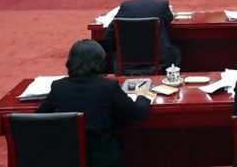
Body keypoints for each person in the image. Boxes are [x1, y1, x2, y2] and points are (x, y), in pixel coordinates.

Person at [37, 39, 154, 167]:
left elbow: (38, 117)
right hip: (102, 159)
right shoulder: (108, 87)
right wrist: (142, 95)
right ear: (101, 62)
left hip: (68, 157)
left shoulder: (58, 87)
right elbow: (137, 113)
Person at [105, 0, 181, 71]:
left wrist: (118, 50)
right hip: (158, 59)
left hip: (128, 59)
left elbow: (110, 33)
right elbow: (168, 19)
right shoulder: (162, 4)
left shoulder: (126, 6)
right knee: (176, 52)